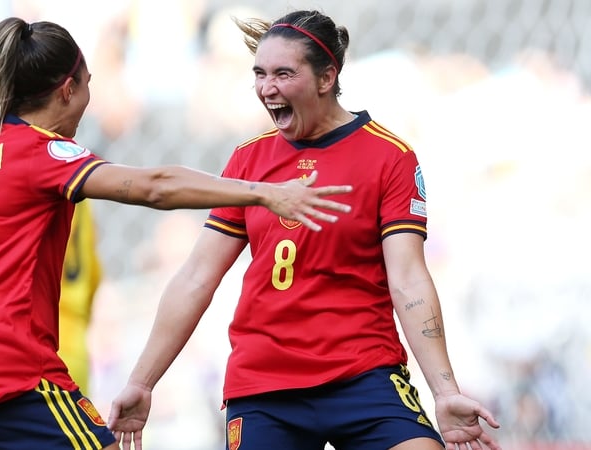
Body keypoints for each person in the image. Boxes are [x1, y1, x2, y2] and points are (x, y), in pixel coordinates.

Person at [0, 16, 352, 450]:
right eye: (88, 83)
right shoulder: (43, 154)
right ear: (68, 90)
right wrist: (263, 194)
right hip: (7, 373)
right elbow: (154, 186)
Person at [108, 9, 502, 450]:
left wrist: (444, 391)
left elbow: (408, 278)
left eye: (282, 73)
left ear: (326, 77)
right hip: (265, 387)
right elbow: (198, 275)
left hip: (363, 376)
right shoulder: (249, 160)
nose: (266, 88)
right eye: (259, 74)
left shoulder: (389, 157)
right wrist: (142, 382)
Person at [0, 44, 104, 393]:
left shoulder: (4, 168)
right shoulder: (67, 165)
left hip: (25, 354)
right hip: (68, 342)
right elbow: (93, 269)